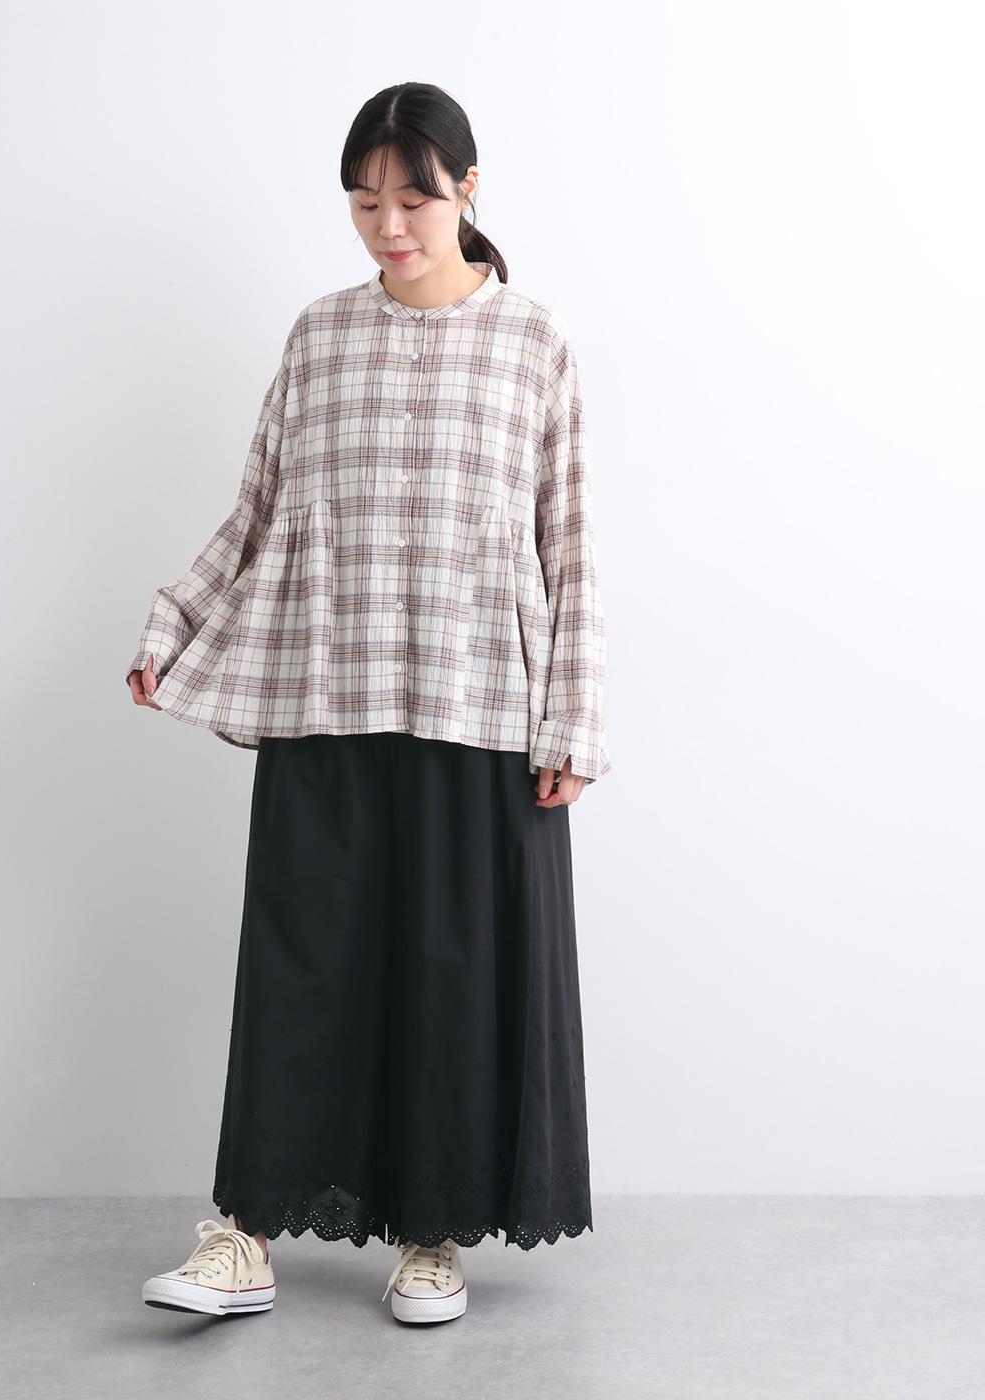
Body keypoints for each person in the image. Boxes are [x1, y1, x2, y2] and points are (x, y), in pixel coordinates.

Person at [128, 81, 611, 1326]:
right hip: (325, 687)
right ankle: (243, 1236)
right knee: (300, 969)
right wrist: (174, 621)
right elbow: (258, 511)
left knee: (450, 977)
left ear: (467, 190)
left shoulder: (536, 341)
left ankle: (431, 1236)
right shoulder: (319, 335)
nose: (388, 226)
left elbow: (569, 545)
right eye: (363, 202)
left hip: (479, 705)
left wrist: (573, 722)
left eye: (412, 199)